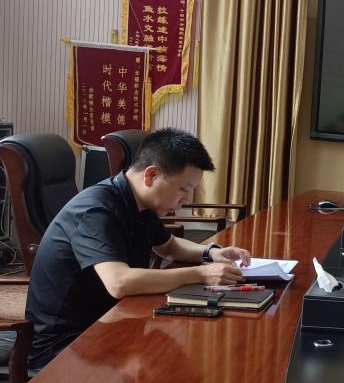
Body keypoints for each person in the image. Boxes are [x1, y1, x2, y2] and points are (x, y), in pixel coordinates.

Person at [18, 128, 252, 370]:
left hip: (110, 320)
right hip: (66, 347)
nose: (188, 200)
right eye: (184, 189)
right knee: (183, 360)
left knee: (196, 344)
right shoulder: (96, 210)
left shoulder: (140, 203)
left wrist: (211, 253)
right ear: (151, 175)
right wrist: (200, 273)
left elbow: (169, 247)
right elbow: (119, 282)